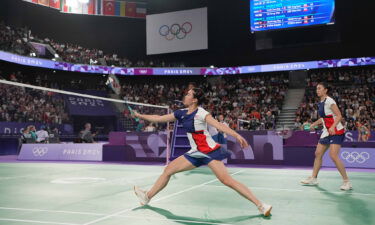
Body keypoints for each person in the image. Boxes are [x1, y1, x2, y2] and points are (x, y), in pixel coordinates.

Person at [132, 88, 272, 216]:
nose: (185, 95)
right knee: (168, 170)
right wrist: (140, 115)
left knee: (227, 180)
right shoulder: (180, 113)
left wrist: (237, 135)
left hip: (209, 151)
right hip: (195, 153)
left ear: (194, 100)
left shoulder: (201, 113)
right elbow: (159, 118)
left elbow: (218, 125)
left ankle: (261, 205)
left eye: (188, 94)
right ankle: (147, 196)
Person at [301, 82, 352, 190]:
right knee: (318, 153)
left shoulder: (330, 101)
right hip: (326, 131)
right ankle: (314, 178)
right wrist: (313, 124)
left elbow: (339, 115)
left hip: (336, 131)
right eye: (316, 89)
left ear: (325, 90)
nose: (317, 90)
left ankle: (347, 182)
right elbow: (324, 118)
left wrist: (333, 126)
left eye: (319, 88)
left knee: (333, 155)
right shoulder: (320, 102)